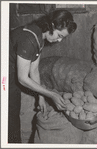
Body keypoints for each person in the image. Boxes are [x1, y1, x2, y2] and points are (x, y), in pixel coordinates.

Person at [9, 9, 77, 143]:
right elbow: (22, 78)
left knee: (13, 114)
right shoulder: (29, 38)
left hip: (10, 72)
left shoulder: (39, 37)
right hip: (6, 74)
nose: (59, 40)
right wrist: (50, 94)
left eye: (62, 38)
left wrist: (40, 96)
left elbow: (34, 70)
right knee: (8, 119)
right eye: (59, 35)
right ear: (51, 26)